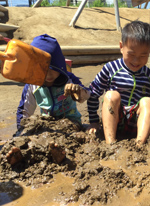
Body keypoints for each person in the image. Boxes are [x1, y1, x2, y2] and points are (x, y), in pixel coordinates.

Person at [7, 34, 90, 165]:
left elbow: (87, 95)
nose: (49, 75)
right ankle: (20, 155)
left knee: (70, 136)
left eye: (53, 69)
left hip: (70, 120)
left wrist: (77, 90)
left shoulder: (68, 78)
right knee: (36, 136)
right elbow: (24, 111)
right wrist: (20, 134)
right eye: (43, 70)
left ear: (61, 65)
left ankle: (60, 154)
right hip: (47, 124)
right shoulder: (32, 84)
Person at [87, 20, 150, 146]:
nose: (136, 61)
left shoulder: (149, 74)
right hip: (114, 120)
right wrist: (94, 121)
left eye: (143, 56)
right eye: (131, 54)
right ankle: (110, 143)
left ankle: (139, 144)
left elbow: (145, 105)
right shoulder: (110, 68)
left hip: (134, 124)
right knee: (111, 95)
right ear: (121, 47)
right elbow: (93, 93)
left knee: (149, 101)